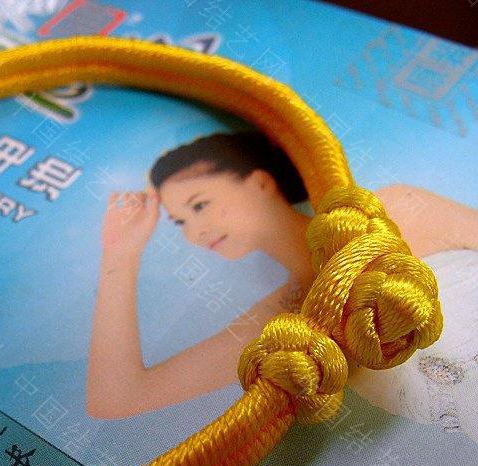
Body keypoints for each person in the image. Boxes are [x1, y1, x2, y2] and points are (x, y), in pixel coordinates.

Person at [85, 131, 478, 444]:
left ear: (260, 181)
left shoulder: (393, 212)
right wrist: (120, 255)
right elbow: (119, 397)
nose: (195, 232)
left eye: (199, 205)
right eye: (180, 222)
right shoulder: (281, 331)